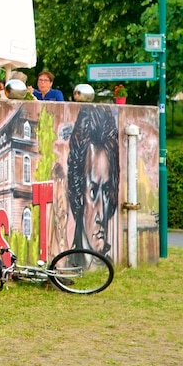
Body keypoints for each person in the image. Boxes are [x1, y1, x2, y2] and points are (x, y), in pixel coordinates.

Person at [67, 107, 118, 260]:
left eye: (107, 190)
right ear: (78, 193)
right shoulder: (70, 265)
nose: (101, 214)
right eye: (93, 192)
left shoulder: (110, 264)